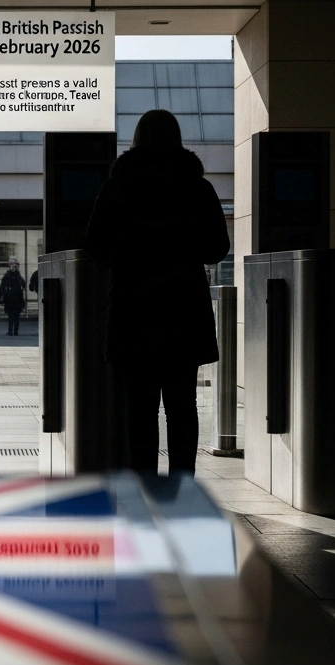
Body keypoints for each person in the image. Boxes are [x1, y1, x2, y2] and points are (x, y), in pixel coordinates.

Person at [83, 109, 230, 475]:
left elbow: (95, 248)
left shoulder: (118, 187)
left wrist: (131, 253)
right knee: (183, 406)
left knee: (140, 409)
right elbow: (217, 248)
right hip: (184, 309)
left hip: (134, 310)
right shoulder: (198, 187)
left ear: (136, 140)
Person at [0, 257, 28, 336]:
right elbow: (2, 287)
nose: (15, 266)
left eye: (16, 265)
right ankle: (12, 331)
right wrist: (0, 297)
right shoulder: (12, 275)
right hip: (12, 299)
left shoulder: (13, 275)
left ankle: (13, 331)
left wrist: (0, 297)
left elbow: (23, 285)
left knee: (14, 316)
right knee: (12, 316)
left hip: (14, 299)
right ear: (10, 265)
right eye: (13, 265)